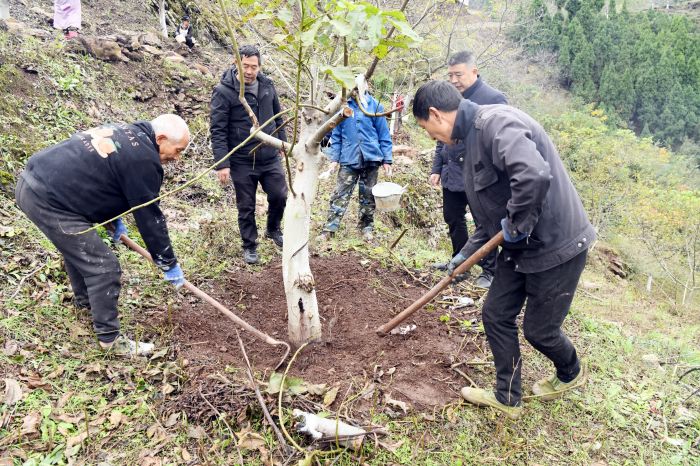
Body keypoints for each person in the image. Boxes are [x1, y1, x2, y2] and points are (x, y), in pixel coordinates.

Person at [412, 80, 595, 419]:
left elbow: (534, 177)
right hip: (520, 246)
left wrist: (516, 225)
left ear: (435, 115)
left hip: (557, 245)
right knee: (496, 314)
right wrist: (464, 255)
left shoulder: (496, 123)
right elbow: (488, 219)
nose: (432, 139)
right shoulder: (469, 143)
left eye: (428, 131)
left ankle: (571, 372)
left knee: (540, 331)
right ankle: (507, 396)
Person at [15, 114, 191, 356]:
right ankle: (110, 340)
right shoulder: (144, 159)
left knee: (81, 251)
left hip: (35, 184)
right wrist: (167, 261)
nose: (177, 157)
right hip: (50, 200)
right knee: (104, 266)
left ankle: (86, 304)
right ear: (160, 139)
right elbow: (149, 216)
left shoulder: (126, 132)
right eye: (178, 150)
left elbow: (103, 173)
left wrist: (113, 217)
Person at [430, 50, 508, 289]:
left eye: (459, 74)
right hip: (452, 172)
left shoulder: (494, 98)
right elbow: (440, 136)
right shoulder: (450, 98)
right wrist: (437, 167)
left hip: (480, 176)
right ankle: (459, 263)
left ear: (474, 71)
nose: (454, 80)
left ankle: (489, 270)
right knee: (453, 217)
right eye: (450, 75)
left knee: (484, 222)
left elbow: (500, 140)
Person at [210, 45, 288, 264]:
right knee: (246, 205)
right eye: (245, 66)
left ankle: (273, 229)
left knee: (279, 196)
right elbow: (217, 130)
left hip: (270, 155)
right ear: (237, 64)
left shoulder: (267, 85)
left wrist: (282, 142)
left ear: (259, 67)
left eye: (254, 67)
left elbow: (278, 117)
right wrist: (222, 163)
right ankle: (250, 245)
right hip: (242, 160)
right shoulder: (224, 91)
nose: (249, 71)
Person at [319, 89, 393, 242]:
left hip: (371, 157)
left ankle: (366, 227)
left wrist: (387, 160)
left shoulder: (375, 106)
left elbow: (384, 135)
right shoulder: (343, 107)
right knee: (340, 193)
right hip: (349, 157)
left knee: (368, 195)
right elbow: (337, 136)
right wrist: (334, 160)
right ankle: (329, 228)